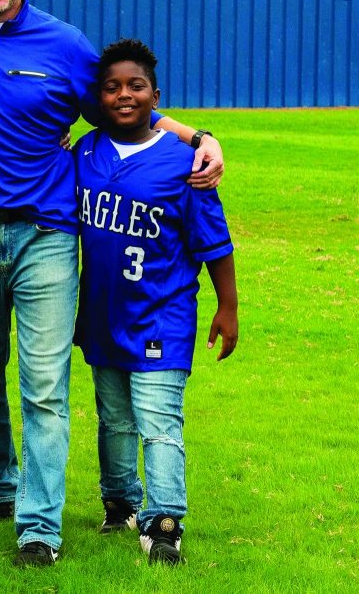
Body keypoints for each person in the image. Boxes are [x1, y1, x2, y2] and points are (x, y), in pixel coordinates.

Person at [0, 0, 227, 566]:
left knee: (46, 383)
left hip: (48, 233)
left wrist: (197, 137)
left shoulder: (64, 43)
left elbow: (122, 102)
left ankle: (39, 527)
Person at [73, 38, 238, 565]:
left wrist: (228, 307)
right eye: (112, 87)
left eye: (136, 86)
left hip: (161, 316)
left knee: (159, 420)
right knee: (114, 418)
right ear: (98, 98)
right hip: (102, 314)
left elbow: (215, 242)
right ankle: (119, 503)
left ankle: (164, 522)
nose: (124, 95)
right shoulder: (86, 152)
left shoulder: (185, 163)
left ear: (155, 95)